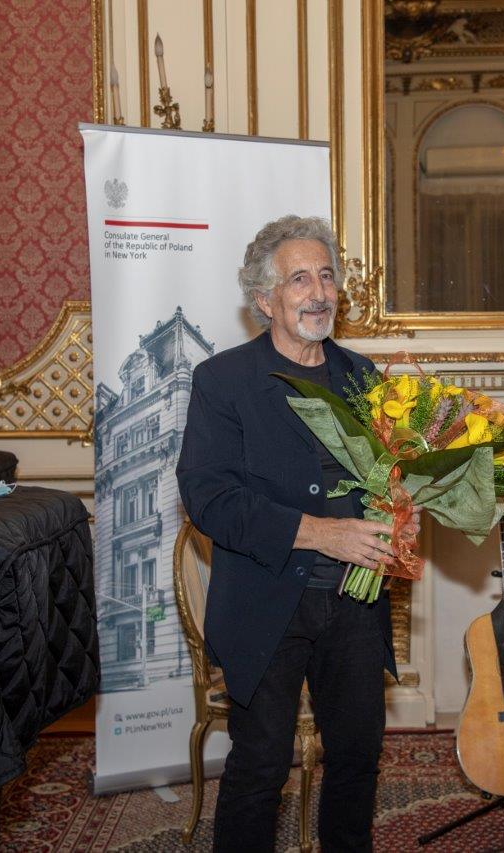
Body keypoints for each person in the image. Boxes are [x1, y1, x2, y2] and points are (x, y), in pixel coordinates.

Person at [177, 215, 415, 851]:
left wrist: (401, 510)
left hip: (356, 601)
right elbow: (209, 499)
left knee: (358, 760)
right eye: (300, 279)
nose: (320, 293)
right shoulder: (223, 381)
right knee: (260, 768)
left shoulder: (364, 378)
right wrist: (319, 534)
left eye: (327, 276)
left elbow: (387, 477)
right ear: (265, 300)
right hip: (266, 602)